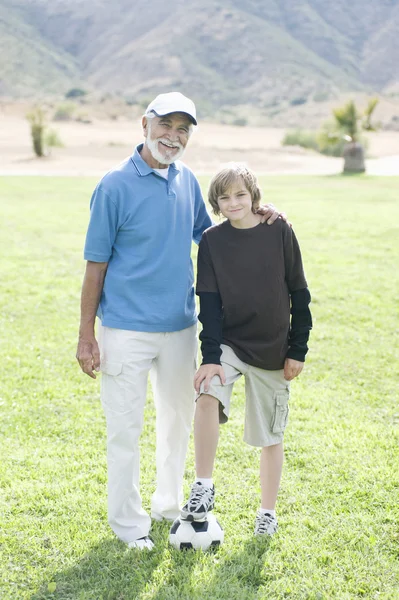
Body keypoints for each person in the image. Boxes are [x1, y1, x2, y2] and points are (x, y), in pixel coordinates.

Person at [76, 92, 283, 550]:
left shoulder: (187, 180)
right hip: (125, 330)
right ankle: (130, 527)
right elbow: (95, 264)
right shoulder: (113, 185)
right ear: (144, 124)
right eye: (166, 125)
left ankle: (169, 507)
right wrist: (86, 334)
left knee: (177, 424)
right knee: (125, 430)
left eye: (183, 128)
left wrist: (257, 216)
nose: (174, 136)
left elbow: (209, 237)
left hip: (180, 327)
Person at [181, 163, 312, 536]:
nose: (233, 202)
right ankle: (203, 487)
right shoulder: (211, 240)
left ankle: (266, 513)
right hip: (230, 344)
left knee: (271, 436)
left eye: (240, 194)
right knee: (207, 391)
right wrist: (209, 357)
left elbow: (299, 293)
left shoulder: (279, 229)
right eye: (224, 197)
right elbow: (208, 301)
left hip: (274, 348)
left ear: (254, 196)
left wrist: (297, 349)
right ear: (216, 204)